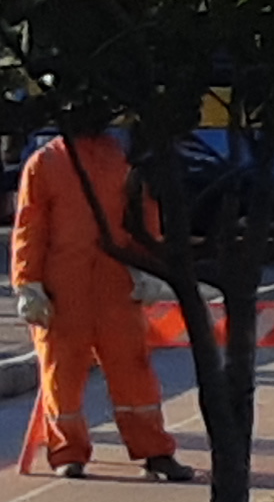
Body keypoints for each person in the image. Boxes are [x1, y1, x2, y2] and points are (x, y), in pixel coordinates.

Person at [11, 123, 194, 481]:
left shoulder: (119, 160)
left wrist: (149, 267)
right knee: (62, 374)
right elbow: (30, 225)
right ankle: (69, 453)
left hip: (113, 283)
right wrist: (28, 283)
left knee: (133, 371)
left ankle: (154, 451)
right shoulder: (47, 163)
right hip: (64, 287)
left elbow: (143, 215)